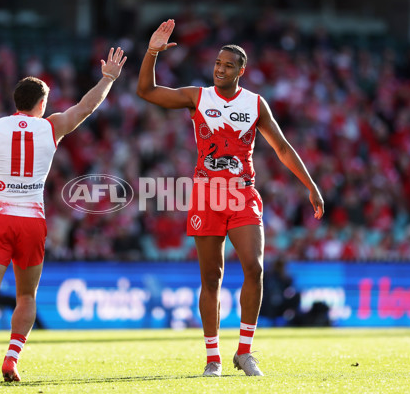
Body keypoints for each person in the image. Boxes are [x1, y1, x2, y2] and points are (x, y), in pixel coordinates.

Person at [136, 20, 324, 377]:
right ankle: (212, 358)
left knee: (254, 267)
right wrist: (152, 53)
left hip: (242, 195)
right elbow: (146, 90)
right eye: (217, 64)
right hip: (207, 195)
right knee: (212, 278)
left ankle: (245, 352)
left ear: (242, 70)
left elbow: (282, 148)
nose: (219, 69)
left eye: (227, 65)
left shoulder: (255, 104)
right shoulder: (197, 96)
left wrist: (309, 183)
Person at [0, 47, 126, 384]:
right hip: (32, 221)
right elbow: (87, 106)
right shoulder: (51, 127)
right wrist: (108, 78)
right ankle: (11, 359)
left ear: (16, 101)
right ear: (42, 103)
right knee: (26, 296)